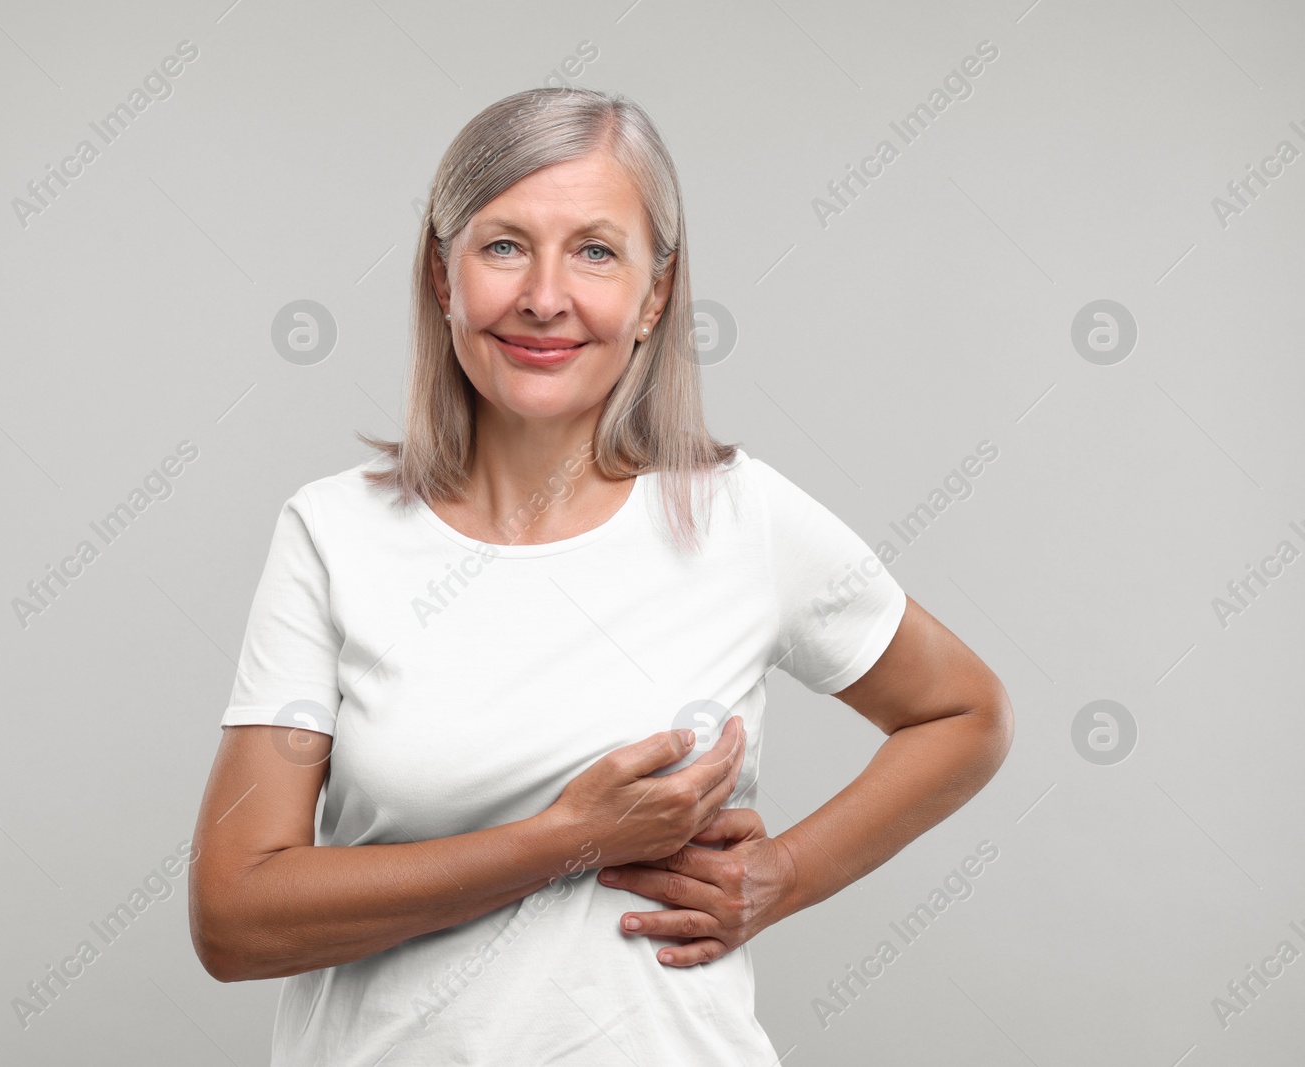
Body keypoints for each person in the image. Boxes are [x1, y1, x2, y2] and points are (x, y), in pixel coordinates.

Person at [188, 86, 1013, 1065]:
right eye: (503, 245)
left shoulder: (737, 517)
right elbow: (234, 917)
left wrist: (782, 874)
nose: (545, 294)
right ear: (441, 276)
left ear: (654, 293)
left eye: (594, 250)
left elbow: (964, 713)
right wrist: (564, 839)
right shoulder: (334, 533)